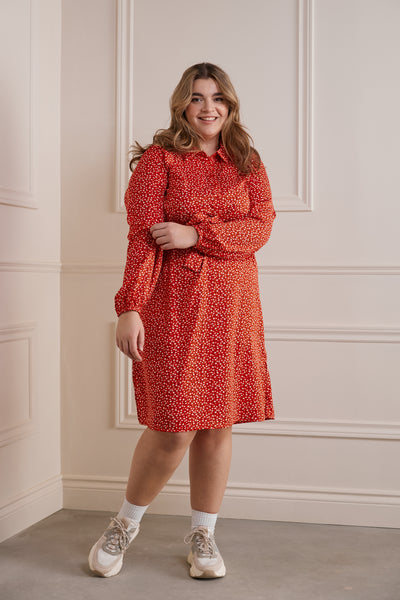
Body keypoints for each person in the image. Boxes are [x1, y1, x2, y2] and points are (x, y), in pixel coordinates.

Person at [88, 62, 276, 580]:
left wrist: (197, 234)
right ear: (182, 105)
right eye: (197, 98)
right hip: (173, 305)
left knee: (217, 423)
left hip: (233, 304)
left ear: (230, 105)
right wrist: (129, 306)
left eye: (218, 98)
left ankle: (203, 536)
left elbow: (262, 225)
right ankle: (124, 524)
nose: (208, 107)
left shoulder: (247, 160)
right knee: (173, 427)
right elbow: (141, 238)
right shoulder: (159, 160)